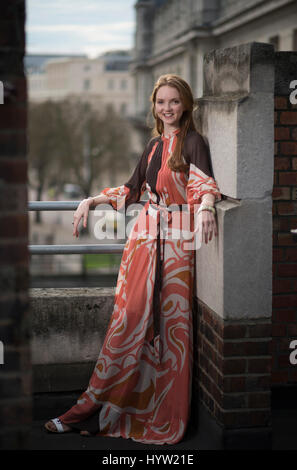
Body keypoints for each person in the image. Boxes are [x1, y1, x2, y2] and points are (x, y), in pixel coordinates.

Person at [44, 74, 221, 445]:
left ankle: (161, 411)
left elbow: (205, 185)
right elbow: (130, 188)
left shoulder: (193, 142)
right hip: (143, 241)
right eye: (161, 102)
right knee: (129, 321)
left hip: (176, 248)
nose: (167, 108)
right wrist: (90, 200)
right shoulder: (154, 146)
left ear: (185, 104)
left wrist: (205, 207)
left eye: (174, 101)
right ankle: (96, 409)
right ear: (154, 107)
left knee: (170, 329)